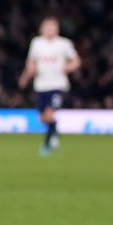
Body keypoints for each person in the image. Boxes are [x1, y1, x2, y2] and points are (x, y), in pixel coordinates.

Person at [18, 16, 81, 155]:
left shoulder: (64, 44)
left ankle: (46, 146)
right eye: (47, 27)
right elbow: (31, 62)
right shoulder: (36, 43)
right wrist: (25, 77)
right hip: (41, 85)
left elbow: (76, 61)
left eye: (53, 27)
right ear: (42, 29)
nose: (50, 29)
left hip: (58, 85)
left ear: (57, 29)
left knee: (49, 113)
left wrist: (69, 67)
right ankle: (54, 132)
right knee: (42, 118)